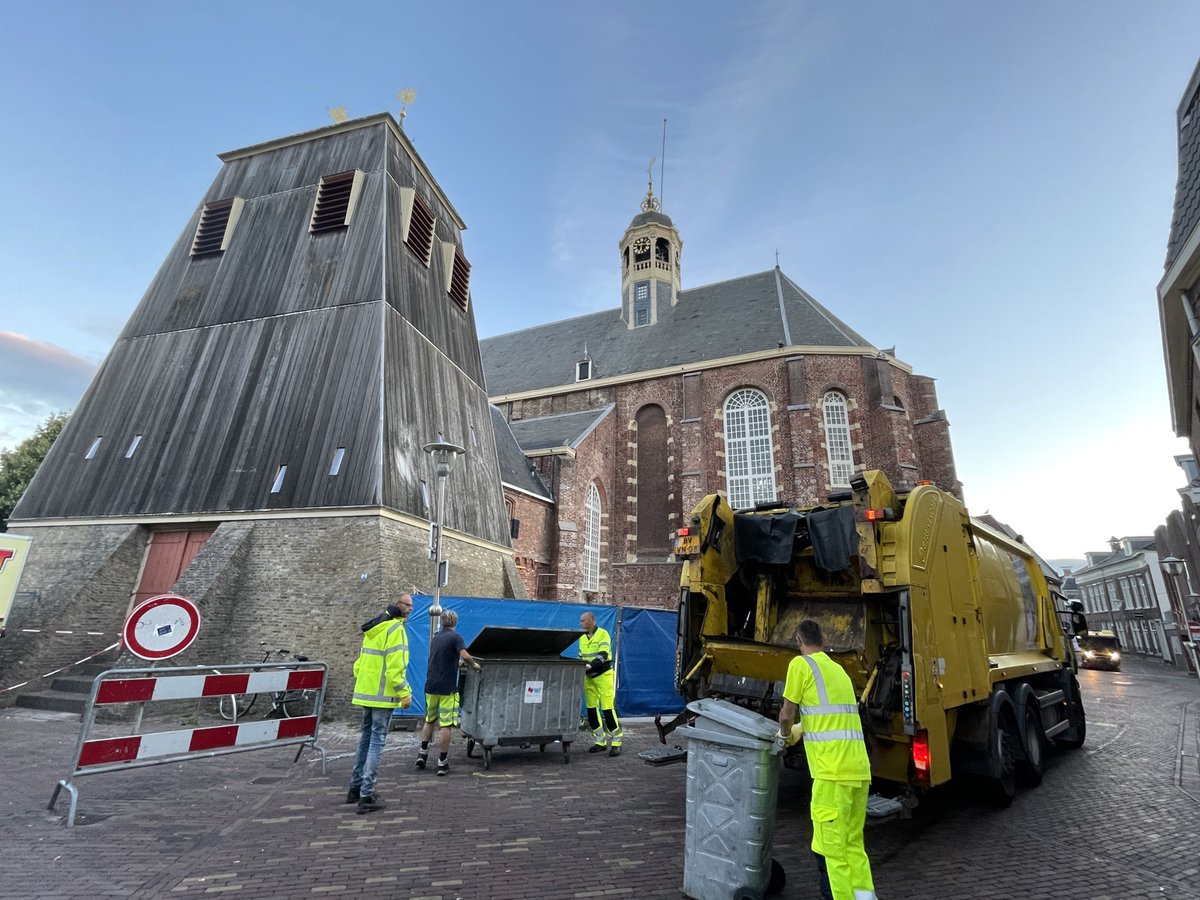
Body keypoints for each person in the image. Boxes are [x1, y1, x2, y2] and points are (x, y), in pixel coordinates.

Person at [777, 619, 877, 900]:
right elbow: (829, 719)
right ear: (824, 640)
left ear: (798, 641)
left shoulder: (801, 665)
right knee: (853, 845)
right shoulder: (839, 671)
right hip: (858, 773)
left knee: (831, 853)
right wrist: (800, 731)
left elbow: (787, 714)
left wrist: (785, 735)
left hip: (831, 775)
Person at [346, 593, 413, 814]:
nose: (411, 608)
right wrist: (404, 692)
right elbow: (395, 668)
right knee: (377, 741)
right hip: (383, 696)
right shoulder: (396, 630)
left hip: (366, 692)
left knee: (365, 739)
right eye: (407, 605)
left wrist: (366, 683)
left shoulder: (375, 628)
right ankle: (366, 795)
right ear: (398, 605)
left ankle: (355, 788)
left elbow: (359, 664)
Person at [416, 608, 480, 776]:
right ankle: (442, 762)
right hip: (447, 688)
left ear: (442, 621)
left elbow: (440, 659)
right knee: (446, 725)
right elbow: (465, 655)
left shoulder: (436, 637)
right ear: (455, 622)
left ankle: (422, 754)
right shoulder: (456, 637)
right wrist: (474, 665)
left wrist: (456, 664)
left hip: (430, 686)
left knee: (429, 720)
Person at [579, 611, 621, 756]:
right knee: (591, 711)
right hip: (589, 678)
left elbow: (603, 654)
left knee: (607, 709)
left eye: (583, 620)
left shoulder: (603, 634)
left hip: (603, 676)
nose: (581, 623)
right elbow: (581, 656)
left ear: (592, 620)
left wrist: (592, 665)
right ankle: (600, 741)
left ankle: (616, 742)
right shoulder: (582, 638)